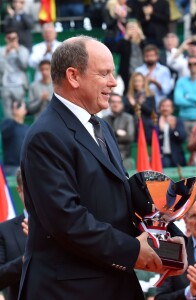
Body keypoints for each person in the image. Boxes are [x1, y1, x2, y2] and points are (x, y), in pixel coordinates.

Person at [19, 36, 186, 300]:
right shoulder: (46, 135)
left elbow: (121, 201)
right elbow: (66, 220)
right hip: (69, 290)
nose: (114, 82)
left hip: (109, 283)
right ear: (73, 76)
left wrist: (168, 243)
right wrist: (132, 250)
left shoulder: (101, 127)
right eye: (104, 73)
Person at [155, 193, 196, 300]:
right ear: (185, 221)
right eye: (193, 216)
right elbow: (160, 298)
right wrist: (189, 292)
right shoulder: (173, 253)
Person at [0, 168, 28, 300]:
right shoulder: (4, 230)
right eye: (29, 188)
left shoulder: (60, 225)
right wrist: (25, 259)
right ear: (19, 191)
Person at [0, 28, 29, 119]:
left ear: (17, 38)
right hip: (5, 86)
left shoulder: (23, 50)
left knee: (20, 114)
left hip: (19, 85)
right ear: (6, 39)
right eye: (10, 38)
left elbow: (24, 66)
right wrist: (5, 54)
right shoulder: (1, 51)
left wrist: (17, 51)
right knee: (8, 116)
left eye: (14, 38)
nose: (12, 40)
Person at [103, 93, 135, 170]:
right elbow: (101, 137)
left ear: (122, 104)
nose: (115, 104)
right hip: (106, 155)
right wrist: (117, 133)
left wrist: (109, 137)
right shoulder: (104, 119)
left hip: (123, 155)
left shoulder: (128, 118)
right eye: (113, 102)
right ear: (109, 103)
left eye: (118, 102)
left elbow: (129, 138)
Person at [0, 102, 29, 176]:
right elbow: (4, 133)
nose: (17, 108)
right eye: (17, 106)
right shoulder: (7, 123)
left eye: (20, 106)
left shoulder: (27, 128)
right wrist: (15, 117)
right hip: (11, 167)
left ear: (25, 111)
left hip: (25, 167)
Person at [157, 98, 187, 168]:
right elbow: (149, 140)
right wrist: (160, 130)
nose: (165, 108)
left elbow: (182, 138)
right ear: (159, 108)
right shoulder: (155, 122)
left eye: (167, 106)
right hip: (161, 157)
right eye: (163, 106)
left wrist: (173, 128)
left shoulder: (178, 121)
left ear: (172, 109)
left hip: (177, 157)